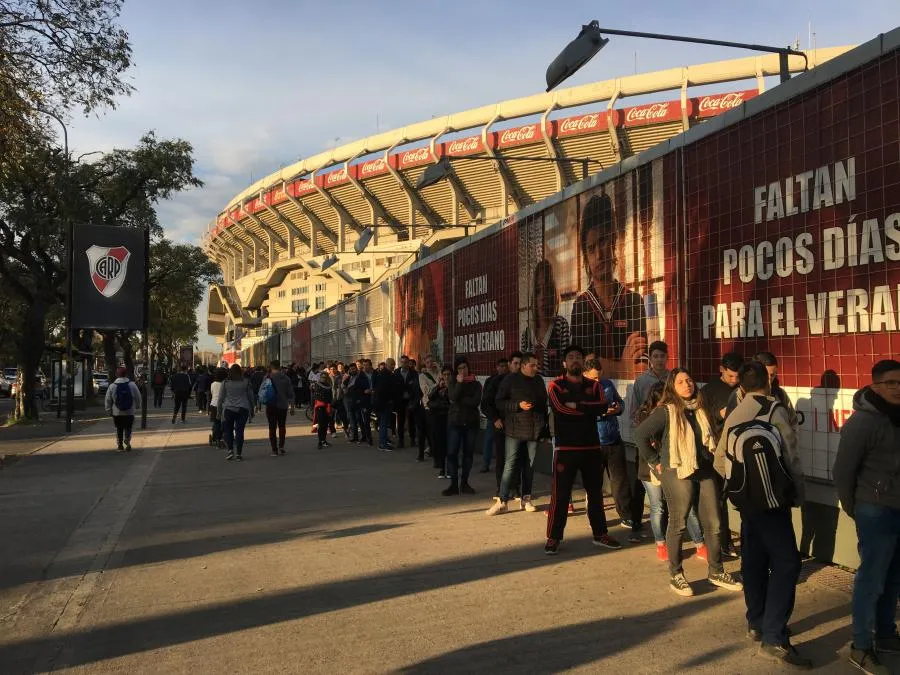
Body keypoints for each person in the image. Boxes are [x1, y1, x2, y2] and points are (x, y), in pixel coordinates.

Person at [714, 361, 809, 668]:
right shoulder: (774, 410)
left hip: (747, 503)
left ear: (741, 386)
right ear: (768, 382)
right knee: (787, 562)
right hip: (773, 501)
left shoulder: (735, 413)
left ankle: (757, 622)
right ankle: (774, 637)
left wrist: (743, 486)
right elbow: (791, 456)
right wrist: (797, 492)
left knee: (754, 559)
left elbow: (719, 460)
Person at [633, 367, 742, 597]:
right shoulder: (666, 411)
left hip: (704, 469)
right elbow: (640, 435)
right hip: (677, 469)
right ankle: (676, 575)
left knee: (714, 523)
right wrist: (654, 461)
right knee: (678, 522)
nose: (687, 385)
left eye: (689, 380)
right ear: (672, 387)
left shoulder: (701, 408)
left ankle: (716, 571)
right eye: (681, 382)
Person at [834, 359, 900, 675]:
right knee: (871, 580)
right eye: (891, 383)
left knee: (893, 576)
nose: (897, 388)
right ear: (875, 385)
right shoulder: (862, 422)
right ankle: (860, 646)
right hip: (874, 510)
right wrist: (855, 508)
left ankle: (885, 634)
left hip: (897, 507)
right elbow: (843, 471)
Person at [545, 345, 618, 553]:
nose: (575, 360)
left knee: (595, 494)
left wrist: (578, 406)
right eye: (571, 357)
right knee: (560, 495)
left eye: (578, 357)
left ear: (583, 362)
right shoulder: (555, 386)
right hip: (565, 449)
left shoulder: (594, 386)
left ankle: (600, 534)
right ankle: (553, 537)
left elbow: (602, 406)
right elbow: (560, 410)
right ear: (565, 363)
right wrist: (589, 410)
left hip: (591, 447)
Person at [569, 193, 647, 379]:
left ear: (613, 241)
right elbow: (584, 368)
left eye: (602, 241)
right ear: (586, 257)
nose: (599, 255)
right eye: (591, 248)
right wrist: (623, 366)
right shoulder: (581, 306)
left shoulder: (634, 301)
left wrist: (601, 364)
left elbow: (641, 367)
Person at [634, 382, 705, 562]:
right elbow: (641, 439)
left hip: (674, 467)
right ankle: (661, 544)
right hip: (650, 470)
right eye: (663, 402)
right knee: (657, 506)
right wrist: (655, 461)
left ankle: (700, 543)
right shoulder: (647, 416)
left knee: (687, 506)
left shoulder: (677, 414)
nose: (666, 406)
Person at [488, 352, 547, 515]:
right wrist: (517, 405)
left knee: (530, 466)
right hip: (514, 430)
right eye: (532, 365)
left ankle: (526, 498)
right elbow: (499, 402)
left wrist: (544, 429)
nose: (535, 368)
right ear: (523, 366)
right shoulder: (510, 380)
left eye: (537, 365)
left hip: (534, 429)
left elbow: (544, 403)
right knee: (510, 464)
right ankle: (502, 500)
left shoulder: (538, 380)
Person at [592, 358, 643, 541]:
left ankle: (626, 515)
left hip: (613, 439)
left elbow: (620, 403)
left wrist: (617, 409)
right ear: (585, 374)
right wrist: (599, 412)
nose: (597, 381)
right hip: (593, 442)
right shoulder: (582, 389)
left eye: (599, 376)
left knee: (620, 480)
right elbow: (580, 413)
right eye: (593, 378)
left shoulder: (607, 385)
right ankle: (597, 519)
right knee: (595, 484)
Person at [701, 351, 745, 558]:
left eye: (738, 376)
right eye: (730, 376)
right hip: (717, 450)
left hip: (740, 450)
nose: (734, 380)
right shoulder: (709, 390)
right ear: (721, 370)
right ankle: (723, 542)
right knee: (718, 499)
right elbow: (706, 419)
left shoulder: (744, 388)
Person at [521, 259, 571, 377]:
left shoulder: (560, 325)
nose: (543, 297)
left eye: (547, 290)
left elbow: (565, 366)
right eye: (538, 291)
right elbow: (522, 371)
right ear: (534, 296)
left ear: (553, 293)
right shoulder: (527, 334)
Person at [443, 357, 482, 496]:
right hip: (455, 421)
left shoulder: (475, 383)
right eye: (459, 368)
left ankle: (464, 483)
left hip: (471, 423)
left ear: (468, 367)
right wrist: (459, 384)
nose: (462, 370)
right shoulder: (453, 381)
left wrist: (461, 399)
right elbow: (452, 397)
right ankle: (453, 484)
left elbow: (475, 402)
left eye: (464, 367)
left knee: (468, 454)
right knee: (452, 452)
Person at [216, 364, 254, 461]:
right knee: (239, 431)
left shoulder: (225, 383)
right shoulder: (246, 382)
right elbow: (251, 397)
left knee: (228, 430)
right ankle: (239, 454)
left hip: (229, 409)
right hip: (243, 409)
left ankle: (230, 450)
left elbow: (220, 399)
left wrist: (219, 413)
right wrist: (252, 410)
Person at [479, 357, 509, 473]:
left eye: (505, 366)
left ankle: (503, 464)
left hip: (506, 415)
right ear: (497, 367)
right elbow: (486, 400)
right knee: (489, 439)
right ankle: (486, 463)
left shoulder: (510, 379)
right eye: (501, 366)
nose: (503, 368)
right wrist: (491, 414)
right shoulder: (491, 380)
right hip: (494, 415)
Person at [629, 340, 670, 422]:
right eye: (655, 356)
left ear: (667, 358)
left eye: (662, 356)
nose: (659, 360)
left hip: (669, 423)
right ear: (650, 359)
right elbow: (634, 410)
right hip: (647, 424)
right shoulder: (641, 381)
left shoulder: (673, 379)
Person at [105, 366, 142, 452]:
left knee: (119, 428)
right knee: (128, 427)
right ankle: (127, 440)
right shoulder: (132, 384)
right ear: (126, 374)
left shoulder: (112, 386)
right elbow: (138, 396)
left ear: (117, 374)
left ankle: (120, 445)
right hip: (129, 411)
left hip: (117, 412)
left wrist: (109, 410)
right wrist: (137, 406)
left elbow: (108, 399)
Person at [263, 360, 294, 456]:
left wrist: (259, 404)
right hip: (283, 406)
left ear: (271, 367)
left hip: (271, 406)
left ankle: (274, 449)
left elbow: (263, 392)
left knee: (272, 427)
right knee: (282, 426)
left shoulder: (267, 378)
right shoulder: (286, 378)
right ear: (279, 367)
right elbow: (291, 394)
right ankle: (281, 446)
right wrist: (292, 406)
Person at [428, 364, 453, 479]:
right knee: (440, 444)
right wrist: (438, 386)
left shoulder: (454, 386)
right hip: (438, 418)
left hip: (450, 418)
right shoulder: (438, 386)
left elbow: (453, 400)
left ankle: (450, 468)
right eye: (444, 374)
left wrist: (449, 387)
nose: (446, 377)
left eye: (448, 375)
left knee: (450, 444)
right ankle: (442, 468)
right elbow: (430, 396)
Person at [417, 355, 440, 462]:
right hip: (427, 406)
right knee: (425, 430)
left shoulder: (438, 373)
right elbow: (426, 391)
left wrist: (439, 369)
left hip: (438, 405)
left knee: (435, 431)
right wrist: (438, 385)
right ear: (425, 364)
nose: (430, 364)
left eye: (432, 361)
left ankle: (434, 451)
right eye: (428, 362)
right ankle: (421, 453)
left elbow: (445, 383)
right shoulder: (422, 376)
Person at [394, 356, 420, 448]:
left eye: (405, 362)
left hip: (410, 399)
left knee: (411, 419)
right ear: (400, 363)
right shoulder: (396, 372)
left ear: (408, 363)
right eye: (402, 362)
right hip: (400, 400)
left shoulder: (413, 373)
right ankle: (401, 440)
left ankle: (412, 439)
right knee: (400, 420)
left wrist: (415, 399)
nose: (404, 364)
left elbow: (416, 387)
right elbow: (394, 387)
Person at [373, 357, 396, 451]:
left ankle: (384, 441)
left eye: (393, 364)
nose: (393, 366)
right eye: (391, 365)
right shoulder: (384, 374)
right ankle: (382, 444)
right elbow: (382, 390)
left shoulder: (387, 374)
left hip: (384, 402)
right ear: (386, 365)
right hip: (383, 403)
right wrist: (388, 399)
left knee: (385, 423)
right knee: (383, 423)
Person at [313, 371, 334, 449]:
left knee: (325, 425)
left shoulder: (328, 385)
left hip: (327, 407)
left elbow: (330, 397)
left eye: (325, 377)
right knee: (321, 425)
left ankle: (324, 440)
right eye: (322, 377)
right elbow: (316, 396)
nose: (324, 379)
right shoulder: (317, 385)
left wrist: (331, 405)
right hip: (320, 407)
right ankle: (320, 441)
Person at [208, 367, 226, 448]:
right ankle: (223, 437)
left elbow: (212, 394)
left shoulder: (213, 384)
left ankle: (216, 437)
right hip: (224, 405)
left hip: (214, 405)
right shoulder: (225, 384)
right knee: (224, 422)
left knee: (216, 422)